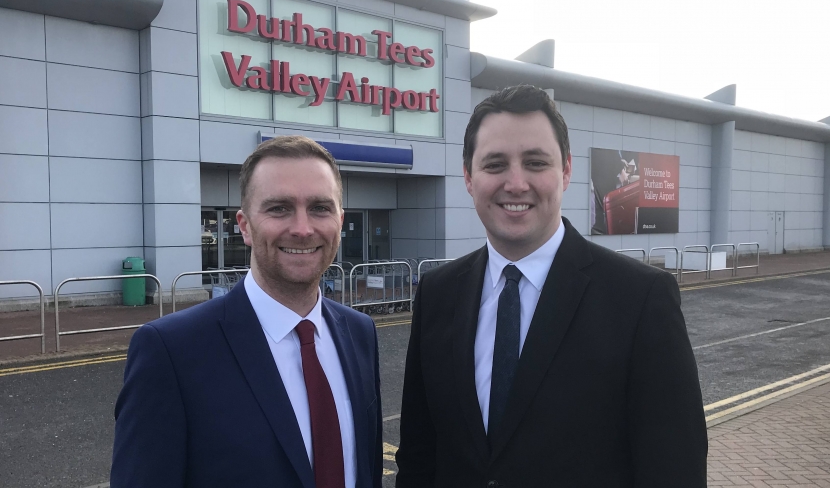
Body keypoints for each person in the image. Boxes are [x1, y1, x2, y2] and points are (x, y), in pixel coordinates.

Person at [395, 85, 707, 487]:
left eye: (536, 162)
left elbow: (674, 470)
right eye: (495, 165)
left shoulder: (640, 299)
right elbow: (420, 456)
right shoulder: (437, 293)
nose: (516, 183)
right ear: (469, 178)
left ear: (566, 172)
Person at [111, 136, 382, 488]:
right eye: (279, 208)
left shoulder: (360, 332)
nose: (302, 228)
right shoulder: (171, 351)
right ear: (244, 226)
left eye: (320, 208)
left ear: (339, 221)